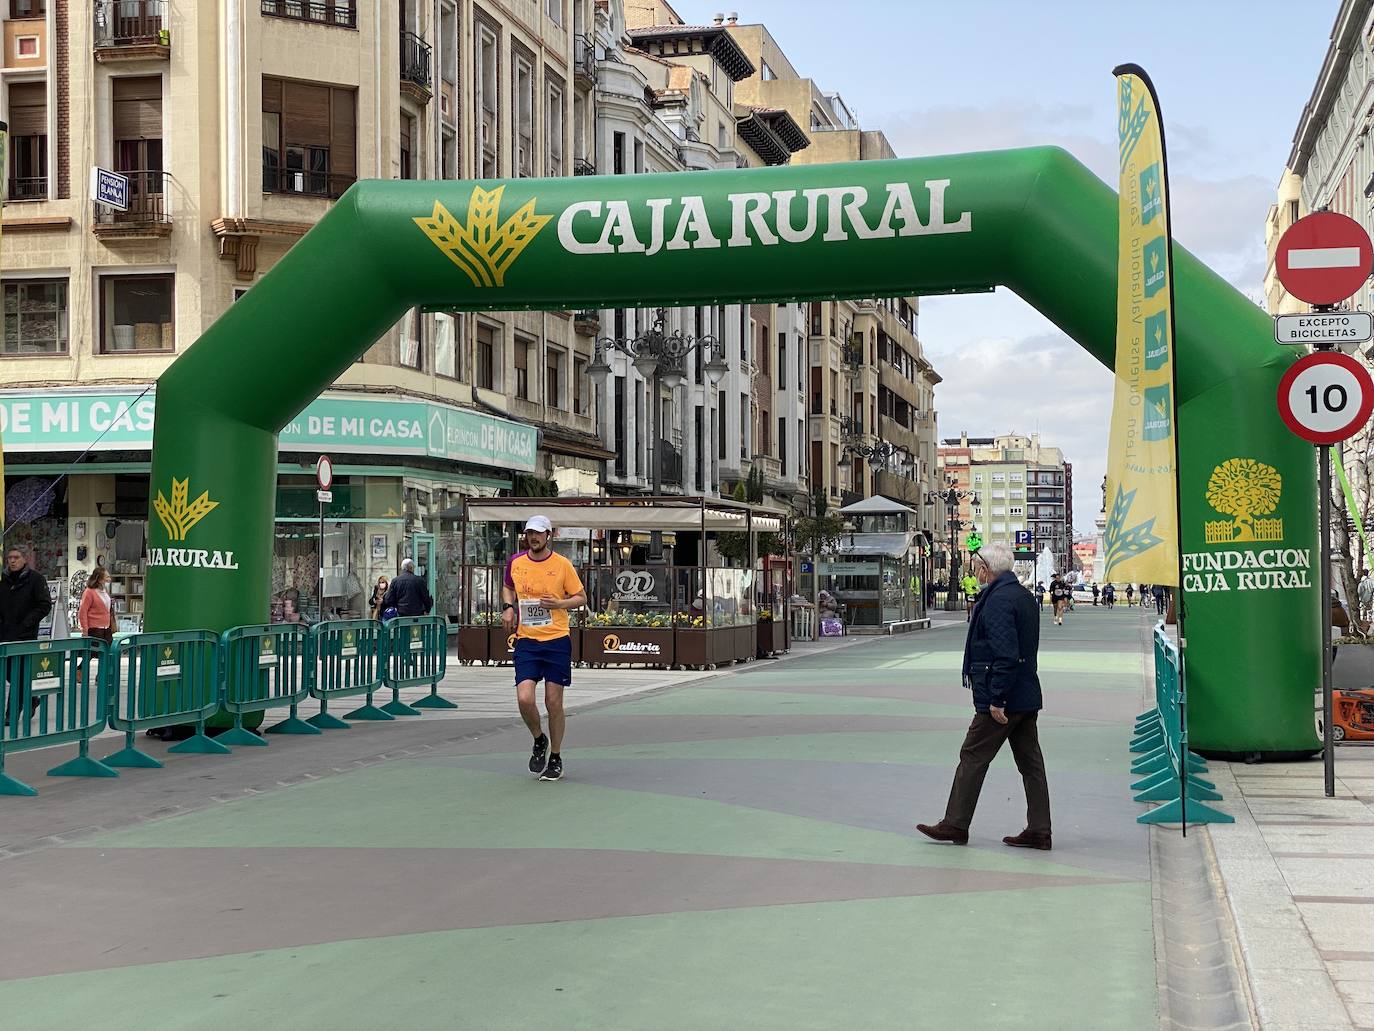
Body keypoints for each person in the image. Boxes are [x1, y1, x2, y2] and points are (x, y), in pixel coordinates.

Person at [916, 541, 1051, 850]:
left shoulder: (997, 600)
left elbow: (1005, 653)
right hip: (1027, 692)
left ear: (986, 570)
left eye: (976, 568)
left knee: (973, 756)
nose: (975, 572)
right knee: (1031, 763)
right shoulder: (1023, 596)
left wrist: (997, 699)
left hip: (1004, 697)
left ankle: (955, 823)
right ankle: (1040, 829)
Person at [502, 515, 586, 782]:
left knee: (553, 702)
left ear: (550, 535)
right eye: (529, 533)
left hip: (556, 640)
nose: (533, 538)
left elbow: (581, 597)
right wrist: (508, 607)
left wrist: (559, 605)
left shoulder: (562, 565)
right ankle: (539, 739)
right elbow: (507, 587)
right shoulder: (516, 562)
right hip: (527, 640)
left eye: (538, 534)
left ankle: (556, 756)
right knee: (524, 699)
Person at [1, 545, 52, 725]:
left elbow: (45, 604)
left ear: (25, 559)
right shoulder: (4, 579)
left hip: (25, 635)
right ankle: (31, 699)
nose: (12, 561)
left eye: (16, 557)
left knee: (18, 674)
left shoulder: (36, 579)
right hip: (5, 635)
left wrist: (28, 623)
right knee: (9, 672)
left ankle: (11, 713)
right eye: (10, 558)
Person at [78, 566, 114, 647]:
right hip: (94, 629)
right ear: (100, 579)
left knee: (106, 654)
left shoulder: (105, 591)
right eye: (107, 577)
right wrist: (85, 630)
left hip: (106, 628)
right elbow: (83, 612)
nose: (109, 579)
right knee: (92, 654)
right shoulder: (89, 592)